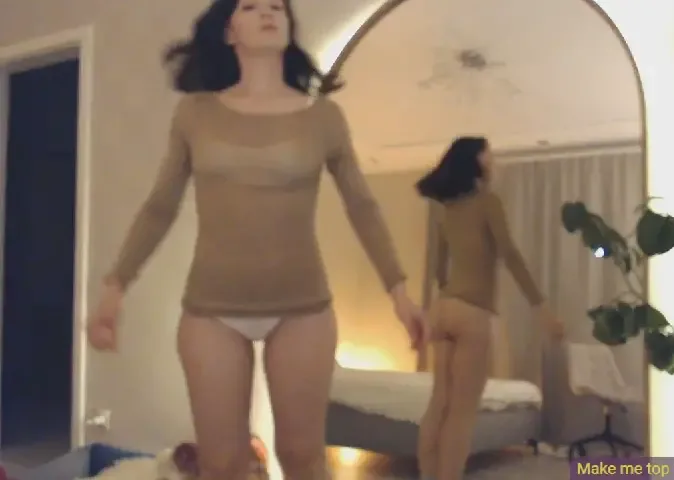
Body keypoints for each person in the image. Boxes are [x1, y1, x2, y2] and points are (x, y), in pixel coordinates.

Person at [85, 1, 426, 478]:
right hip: (212, 310)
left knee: (302, 456)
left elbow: (362, 206)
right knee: (222, 464)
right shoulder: (195, 113)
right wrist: (115, 287)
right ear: (230, 31)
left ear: (288, 26)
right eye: (251, 6)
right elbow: (160, 206)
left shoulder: (323, 117)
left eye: (277, 7)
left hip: (302, 307)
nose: (268, 13)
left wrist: (399, 292)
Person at [414, 137, 564, 480]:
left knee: (439, 403)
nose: (493, 160)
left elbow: (439, 271)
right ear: (476, 162)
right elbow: (510, 255)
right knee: (462, 413)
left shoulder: (445, 209)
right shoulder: (488, 203)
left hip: (444, 309)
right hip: (472, 313)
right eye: (489, 155)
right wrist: (541, 308)